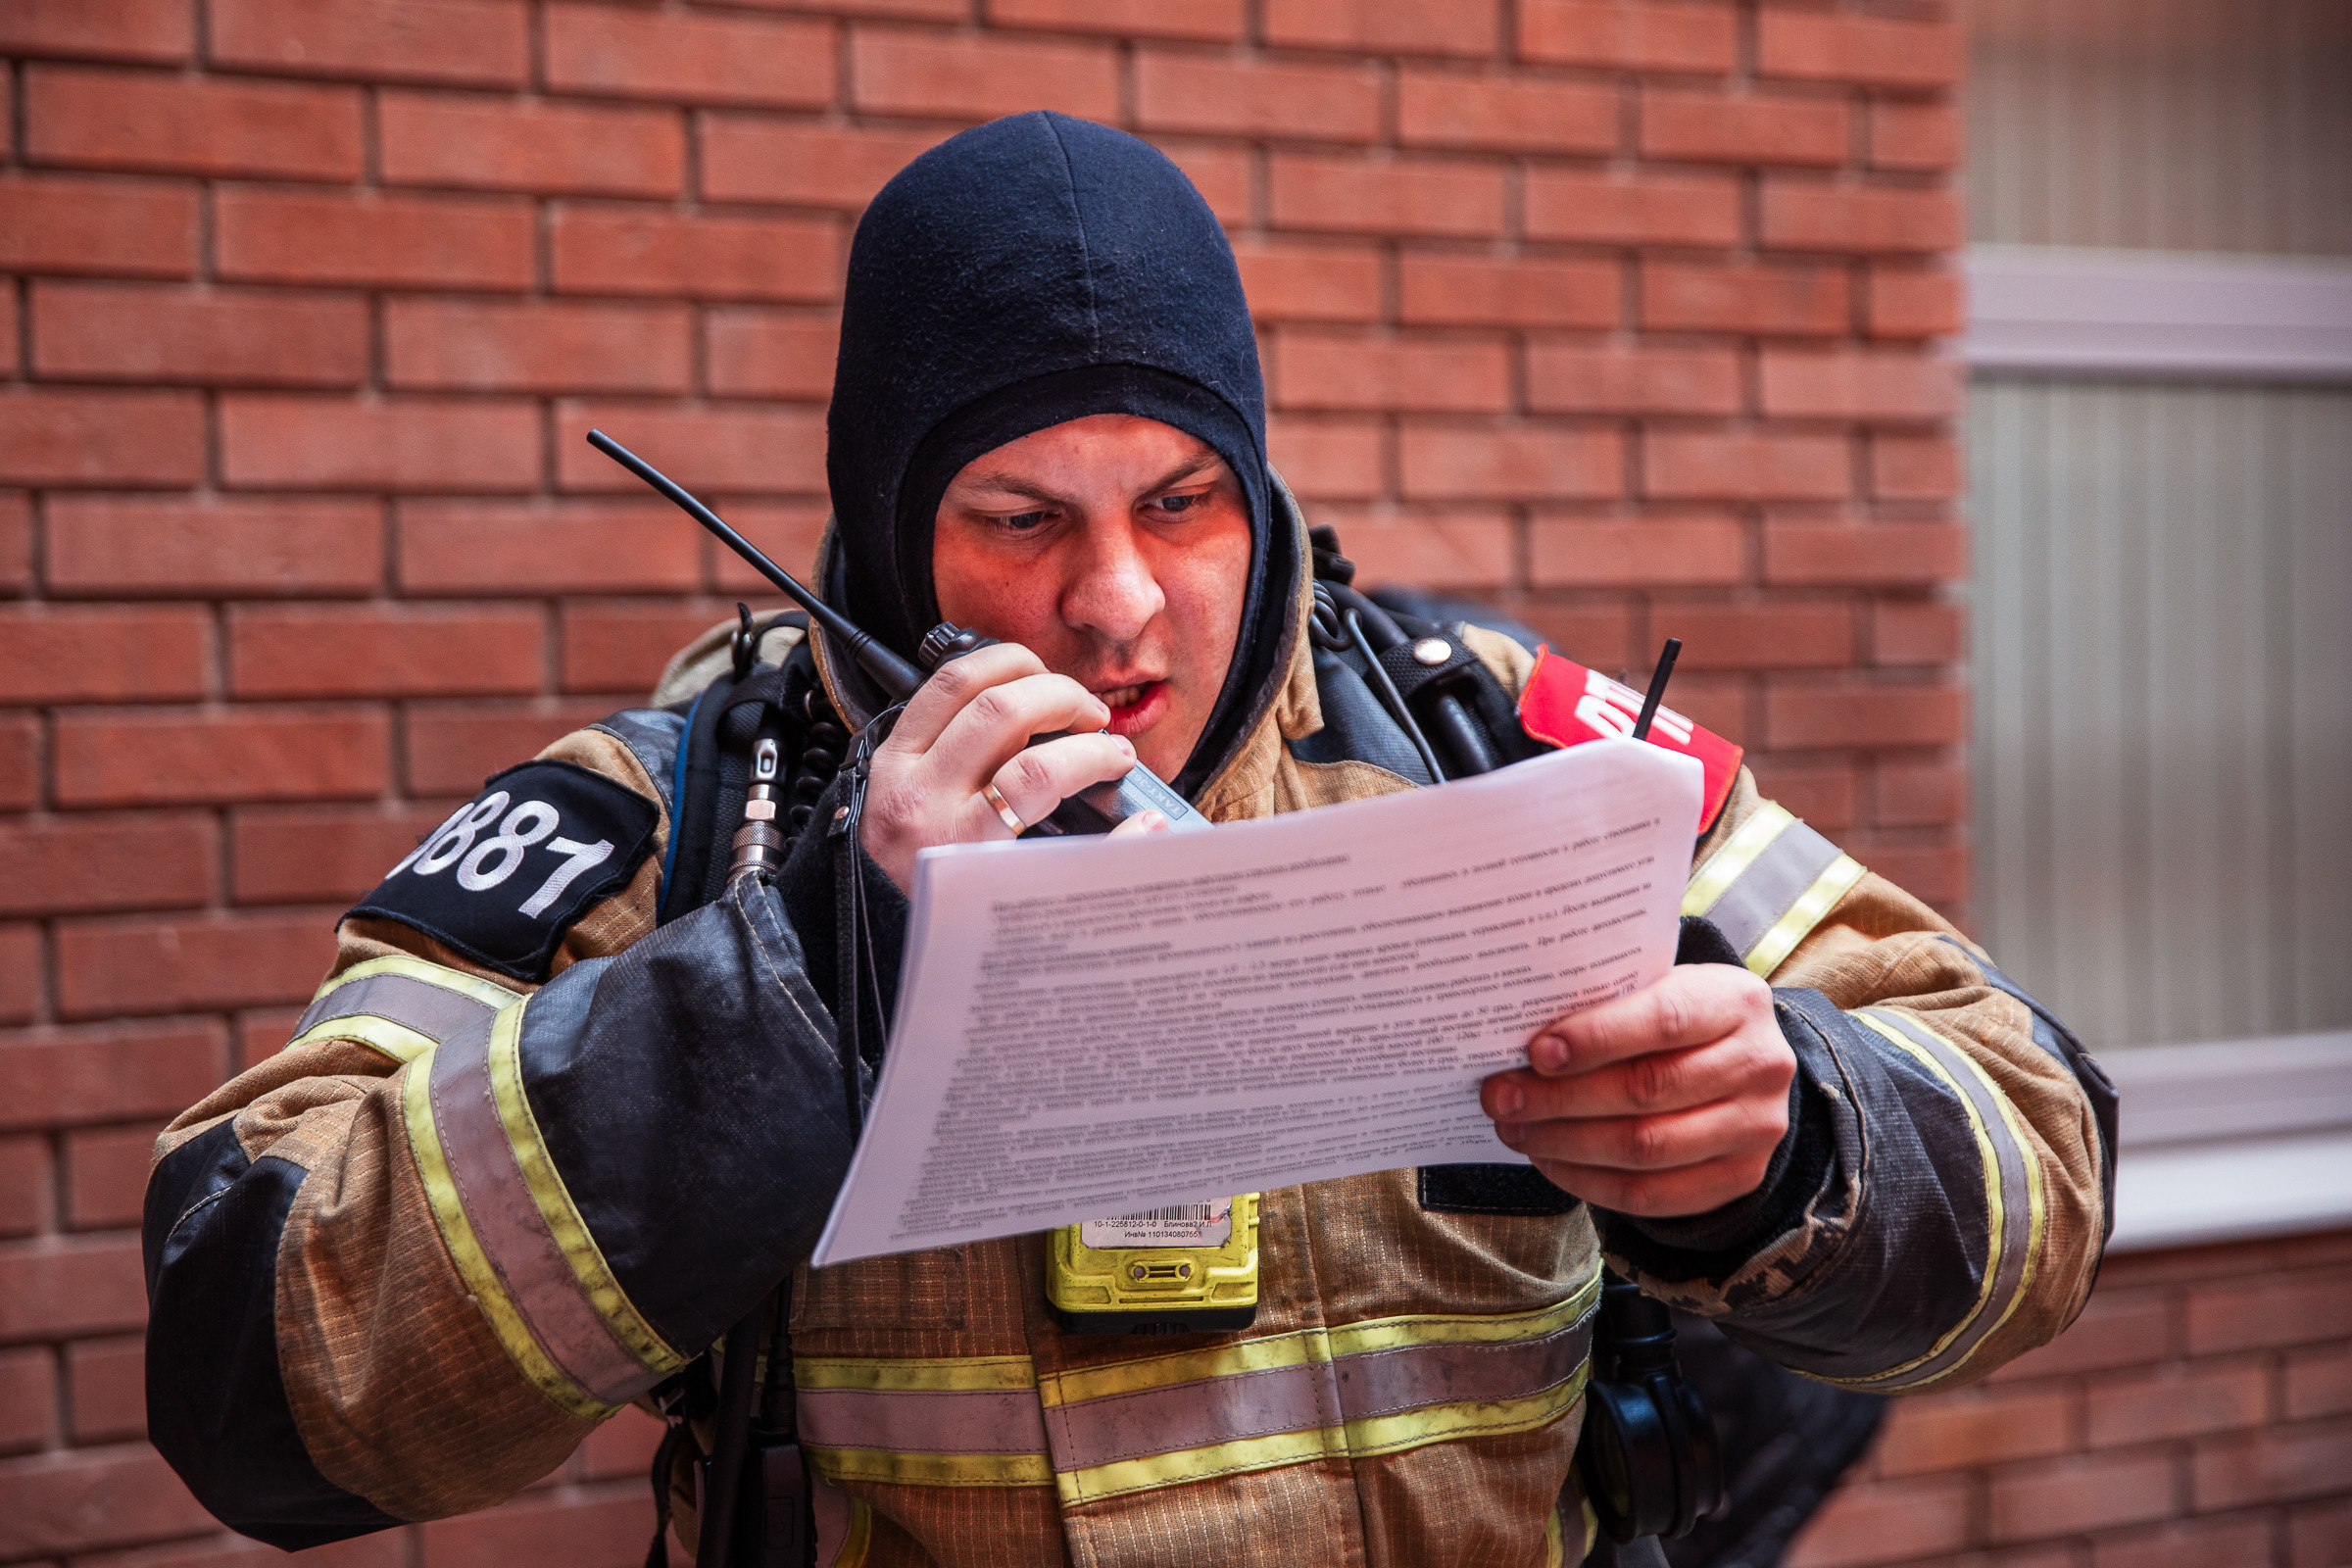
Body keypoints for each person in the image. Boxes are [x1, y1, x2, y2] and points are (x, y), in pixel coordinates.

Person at [142, 114, 2116, 1567]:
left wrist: (1791, 1141)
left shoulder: (1491, 749)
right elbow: (259, 1368)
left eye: (1184, 501)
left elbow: (2044, 1142)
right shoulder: (697, 813)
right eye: (1018, 518)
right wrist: (812, 975)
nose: (1119, 607)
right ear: (885, 517)